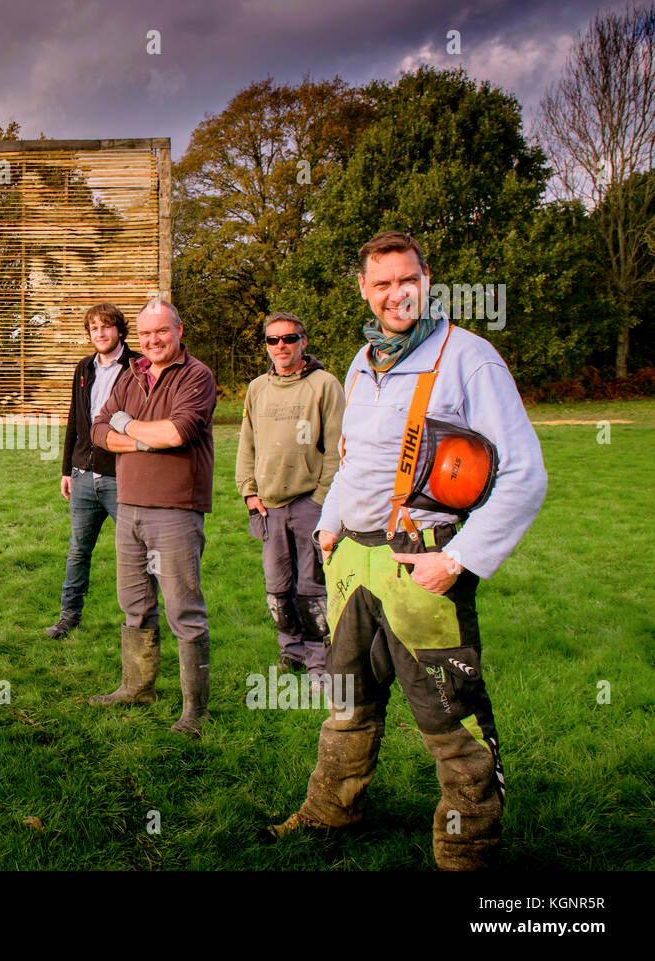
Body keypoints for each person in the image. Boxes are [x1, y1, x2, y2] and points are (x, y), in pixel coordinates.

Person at [268, 232, 547, 871]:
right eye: (383, 283)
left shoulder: (468, 358)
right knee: (345, 698)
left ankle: (466, 849)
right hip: (352, 565)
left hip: (420, 564)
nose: (398, 294)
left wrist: (457, 560)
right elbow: (354, 461)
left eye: (408, 280)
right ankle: (331, 808)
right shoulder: (364, 363)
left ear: (427, 280)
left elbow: (526, 472)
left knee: (450, 716)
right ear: (364, 291)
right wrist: (329, 527)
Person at [89, 297, 217, 737]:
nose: (153, 340)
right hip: (130, 506)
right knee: (134, 604)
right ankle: (137, 686)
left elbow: (178, 431)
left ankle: (194, 710)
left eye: (161, 331)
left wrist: (128, 427)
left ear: (179, 330)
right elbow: (98, 431)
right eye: (145, 334)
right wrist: (143, 438)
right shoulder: (131, 376)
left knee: (185, 610)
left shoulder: (196, 375)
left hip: (177, 509)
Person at [235, 312, 344, 676]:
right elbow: (247, 443)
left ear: (303, 342)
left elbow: (337, 448)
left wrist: (321, 499)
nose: (281, 346)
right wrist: (249, 492)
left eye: (289, 338)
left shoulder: (325, 385)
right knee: (277, 586)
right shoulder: (257, 388)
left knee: (312, 587)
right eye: (273, 340)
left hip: (309, 502)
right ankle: (291, 650)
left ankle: (319, 661)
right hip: (268, 506)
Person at [45, 302, 141, 639]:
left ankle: (140, 620)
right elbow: (75, 418)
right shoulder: (84, 368)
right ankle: (68, 616)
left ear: (119, 330)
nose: (100, 333)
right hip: (83, 474)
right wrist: (67, 469)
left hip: (122, 474)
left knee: (134, 551)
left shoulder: (138, 366)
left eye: (106, 326)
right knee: (77, 549)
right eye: (94, 328)